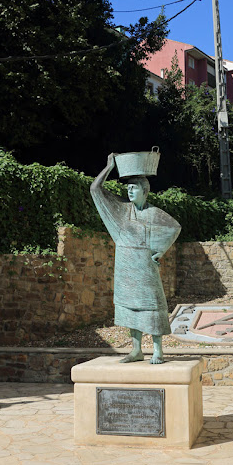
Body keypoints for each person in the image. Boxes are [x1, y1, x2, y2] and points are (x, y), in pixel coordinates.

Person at [90, 153, 181, 364]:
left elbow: (174, 228)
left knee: (153, 306)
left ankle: (157, 350)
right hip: (125, 265)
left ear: (145, 191)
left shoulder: (155, 213)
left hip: (145, 266)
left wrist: (160, 251)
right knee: (130, 308)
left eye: (134, 188)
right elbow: (95, 190)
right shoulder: (121, 210)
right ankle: (136, 350)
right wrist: (109, 167)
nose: (129, 191)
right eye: (128, 188)